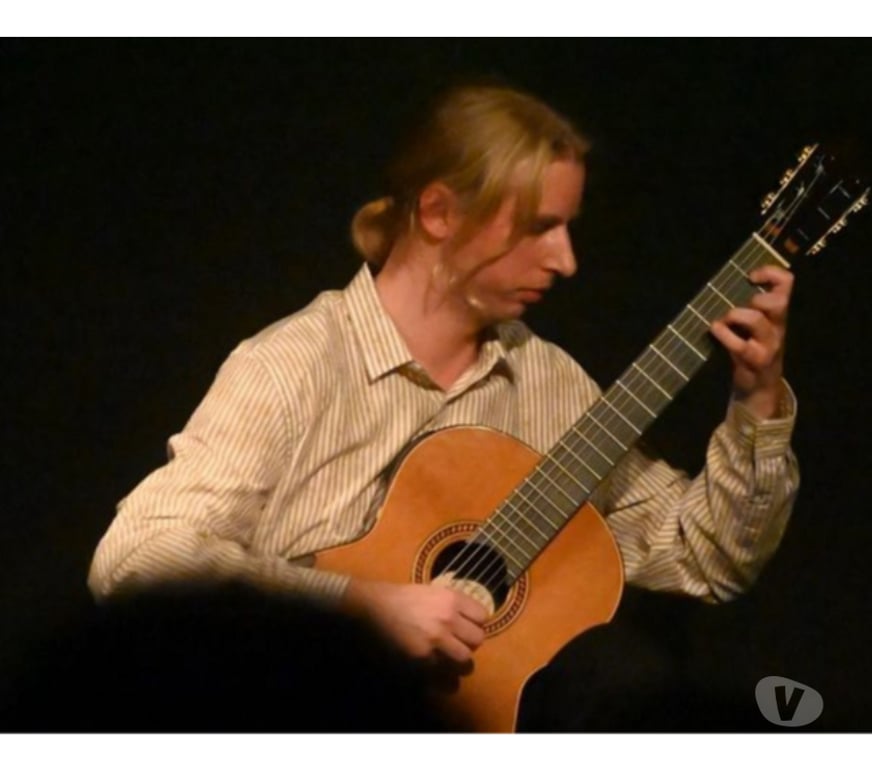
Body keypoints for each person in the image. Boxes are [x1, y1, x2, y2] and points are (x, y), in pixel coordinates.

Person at [88, 82, 799, 729]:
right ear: (438, 212)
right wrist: (357, 604)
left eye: (569, 227)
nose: (567, 260)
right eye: (539, 227)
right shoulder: (293, 365)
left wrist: (756, 399)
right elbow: (138, 557)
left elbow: (709, 558)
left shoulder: (546, 382)